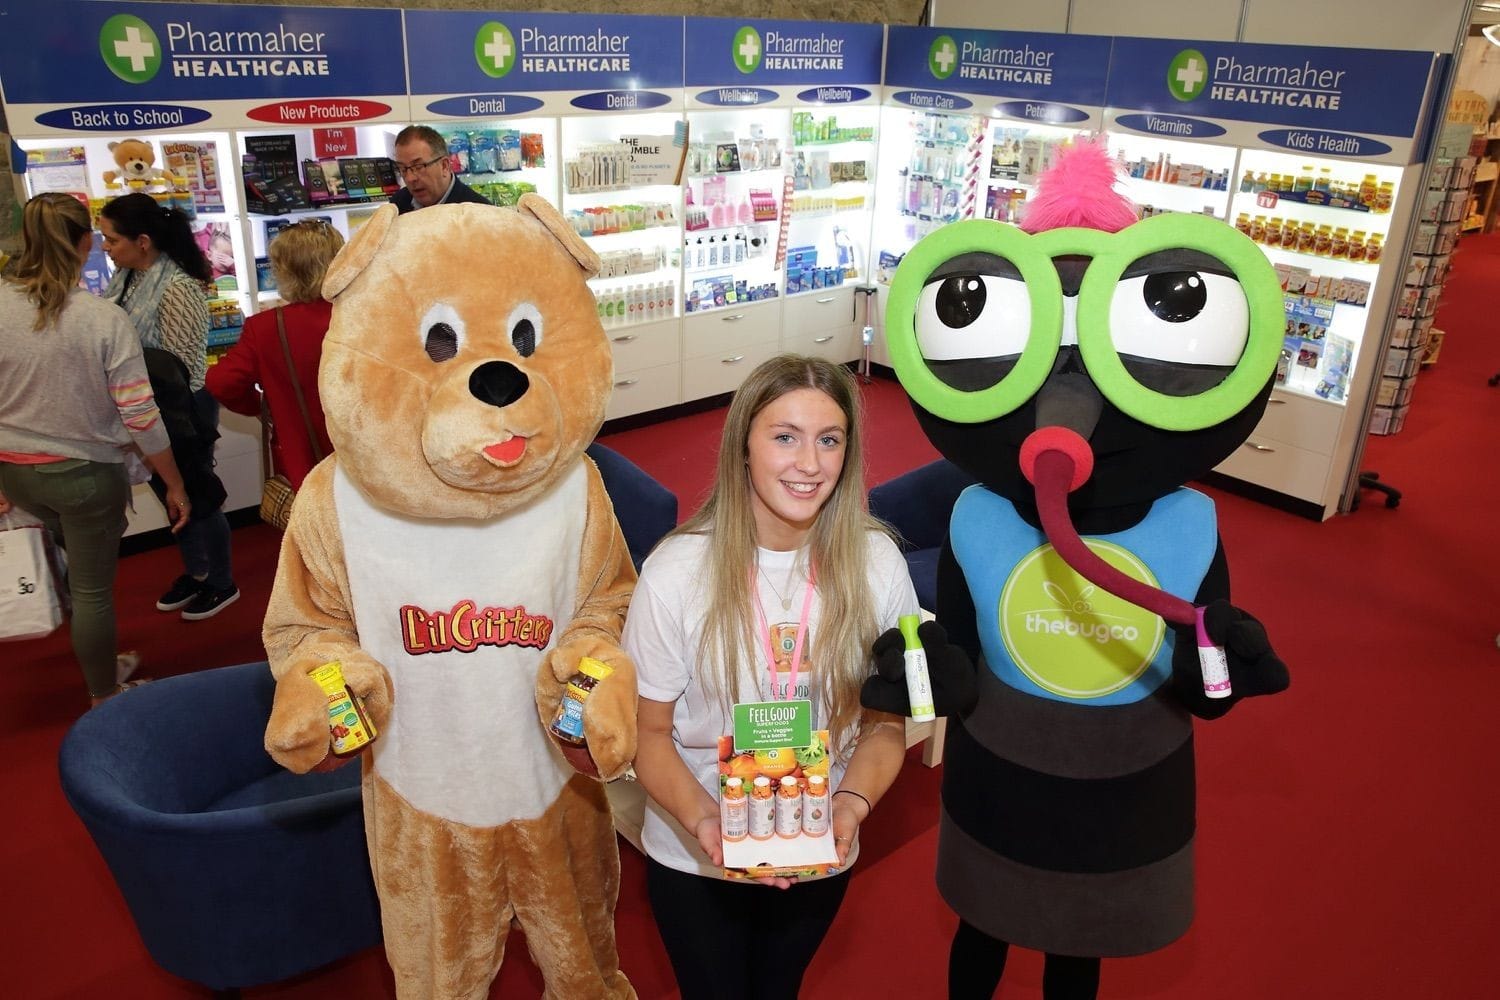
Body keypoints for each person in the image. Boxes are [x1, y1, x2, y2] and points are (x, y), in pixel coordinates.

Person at [625, 354, 919, 1000]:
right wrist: (710, 824)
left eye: (829, 439)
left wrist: (850, 805)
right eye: (785, 437)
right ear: (744, 449)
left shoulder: (877, 563)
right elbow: (647, 735)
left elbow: (885, 723)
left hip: (821, 839)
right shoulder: (677, 571)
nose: (809, 464)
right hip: (696, 855)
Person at [0, 193, 190, 706]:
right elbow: (140, 415)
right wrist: (173, 483)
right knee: (91, 591)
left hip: (16, 474)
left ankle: (100, 663)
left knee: (72, 576)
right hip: (85, 477)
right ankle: (104, 692)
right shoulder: (101, 320)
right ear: (85, 243)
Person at [99, 192, 238, 620]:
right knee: (170, 492)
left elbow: (180, 366)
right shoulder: (127, 277)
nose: (106, 248)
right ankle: (196, 571)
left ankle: (221, 580)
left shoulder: (177, 286)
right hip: (145, 406)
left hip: (181, 408)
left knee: (198, 494)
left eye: (112, 240)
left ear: (142, 240)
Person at [206, 219, 342, 491]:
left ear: (284, 270)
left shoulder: (267, 327)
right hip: (365, 451)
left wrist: (260, 405)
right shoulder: (362, 314)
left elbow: (220, 382)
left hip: (303, 456)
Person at [389, 125, 490, 213]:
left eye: (418, 167)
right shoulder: (397, 206)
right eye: (403, 169)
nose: (410, 178)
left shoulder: (480, 211)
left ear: (444, 166)